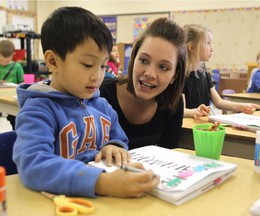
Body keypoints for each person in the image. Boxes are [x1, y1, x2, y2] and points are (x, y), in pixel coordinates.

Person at [13, 6, 159, 198]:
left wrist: (113, 147)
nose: (97, 76)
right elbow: (33, 164)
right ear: (53, 61)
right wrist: (101, 182)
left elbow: (119, 139)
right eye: (88, 65)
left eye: (103, 65)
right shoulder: (38, 110)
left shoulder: (103, 106)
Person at [100, 17, 186, 149]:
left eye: (163, 67)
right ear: (134, 59)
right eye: (144, 60)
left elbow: (168, 157)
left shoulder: (173, 104)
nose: (150, 74)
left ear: (174, 76)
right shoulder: (100, 94)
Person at [182, 24, 260, 119]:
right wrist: (194, 112)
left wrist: (242, 106)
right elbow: (182, 111)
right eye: (208, 43)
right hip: (187, 128)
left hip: (201, 126)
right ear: (192, 47)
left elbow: (219, 102)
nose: (212, 49)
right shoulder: (181, 78)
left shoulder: (205, 75)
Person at [0, 39, 24, 130]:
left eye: (6, 61)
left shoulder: (17, 67)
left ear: (13, 55)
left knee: (15, 119)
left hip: (11, 97)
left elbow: (21, 83)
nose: (3, 63)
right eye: (1, 61)